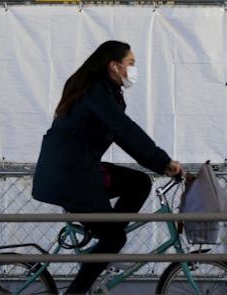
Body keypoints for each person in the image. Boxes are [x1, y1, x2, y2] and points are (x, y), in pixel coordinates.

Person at [32, 40, 183, 294]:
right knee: (115, 238)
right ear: (114, 66)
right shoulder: (96, 93)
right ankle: (78, 289)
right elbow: (125, 130)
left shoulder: (103, 92)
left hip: (76, 169)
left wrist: (159, 163)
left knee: (138, 183)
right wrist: (163, 162)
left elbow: (123, 134)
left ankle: (106, 245)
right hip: (69, 177)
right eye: (130, 63)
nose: (134, 69)